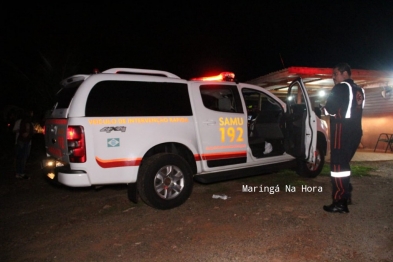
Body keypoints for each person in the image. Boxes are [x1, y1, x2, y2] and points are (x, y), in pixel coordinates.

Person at [322, 63, 365, 213]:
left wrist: (319, 108)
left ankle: (340, 201)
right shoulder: (359, 90)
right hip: (355, 130)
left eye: (335, 74)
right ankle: (346, 193)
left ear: (345, 73)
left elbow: (330, 109)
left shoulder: (340, 88)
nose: (333, 77)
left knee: (338, 167)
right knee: (344, 164)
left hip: (342, 130)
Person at [15, 109, 34, 179]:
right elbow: (25, 132)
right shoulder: (26, 121)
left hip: (24, 141)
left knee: (21, 158)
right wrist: (28, 132)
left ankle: (19, 173)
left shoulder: (26, 121)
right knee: (22, 158)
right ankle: (21, 173)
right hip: (23, 142)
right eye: (31, 113)